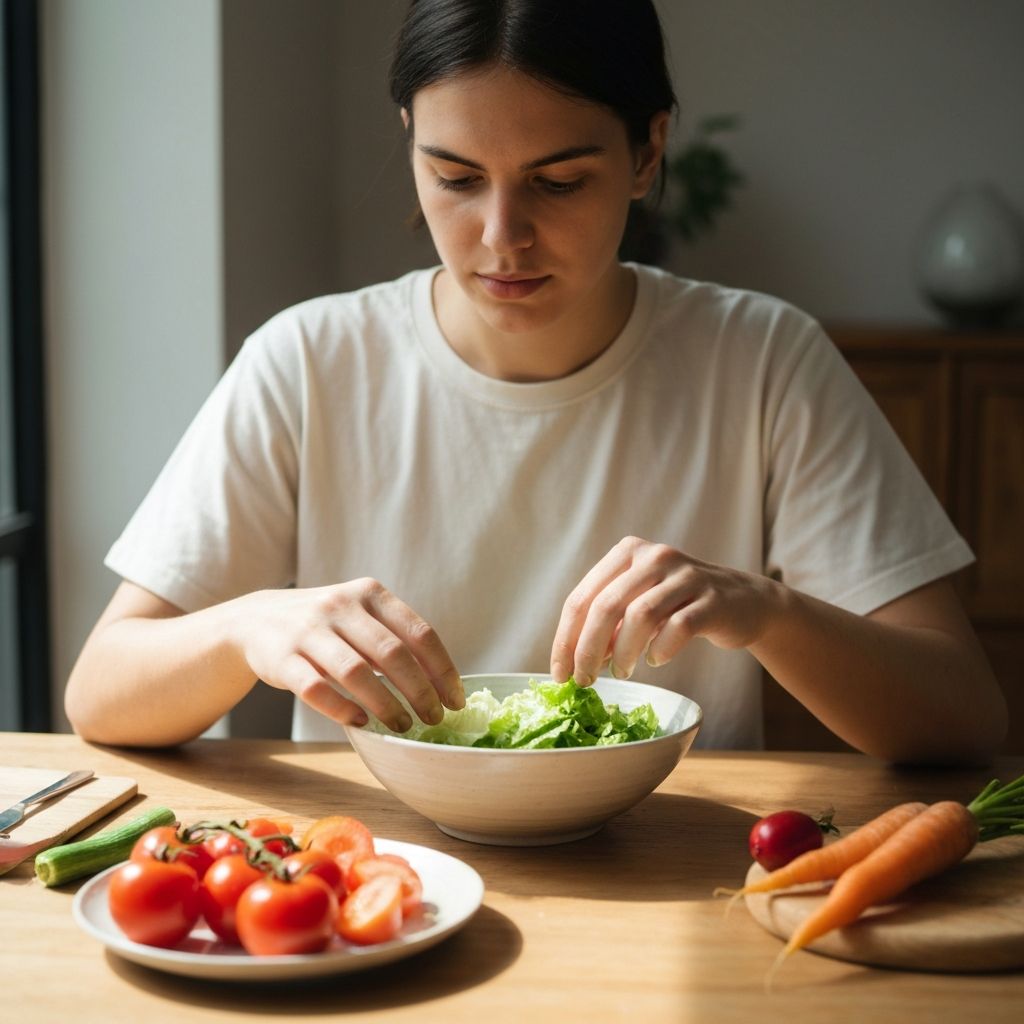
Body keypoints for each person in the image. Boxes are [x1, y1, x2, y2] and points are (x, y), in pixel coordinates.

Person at [65, 0, 1007, 764]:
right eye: (456, 177)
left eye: (558, 182)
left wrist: (765, 609)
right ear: (409, 140)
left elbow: (962, 715)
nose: (502, 236)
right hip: (386, 884)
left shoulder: (762, 359)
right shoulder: (309, 360)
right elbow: (99, 694)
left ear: (647, 153)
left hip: (673, 876)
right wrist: (249, 625)